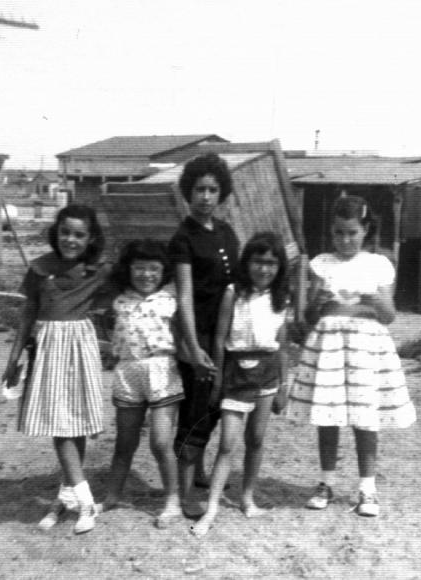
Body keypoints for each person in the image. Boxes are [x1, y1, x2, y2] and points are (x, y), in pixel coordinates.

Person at [286, 195, 416, 518]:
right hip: (329, 346)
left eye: (352, 233)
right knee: (328, 418)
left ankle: (367, 488)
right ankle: (326, 482)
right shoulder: (321, 263)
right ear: (331, 232)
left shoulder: (379, 264)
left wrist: (373, 297)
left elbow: (388, 315)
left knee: (365, 416)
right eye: (339, 233)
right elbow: (310, 316)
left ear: (365, 230)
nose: (345, 240)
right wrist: (315, 299)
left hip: (366, 347)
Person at [2, 204, 107, 534]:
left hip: (80, 347)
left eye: (79, 234)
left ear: (90, 239)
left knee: (74, 424)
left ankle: (67, 498)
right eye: (65, 232)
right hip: (49, 349)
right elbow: (28, 313)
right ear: (55, 233)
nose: (70, 239)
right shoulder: (40, 269)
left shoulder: (99, 270)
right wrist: (14, 357)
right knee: (58, 426)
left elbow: (140, 274)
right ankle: (84, 499)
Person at [191, 232, 291, 537]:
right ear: (247, 262)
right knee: (227, 444)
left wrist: (284, 384)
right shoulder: (234, 292)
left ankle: (247, 498)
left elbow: (283, 346)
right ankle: (211, 509)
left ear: (279, 267)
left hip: (268, 373)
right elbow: (220, 340)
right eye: (258, 261)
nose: (264, 269)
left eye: (272, 263)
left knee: (257, 439)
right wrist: (219, 378)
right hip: (236, 372)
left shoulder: (281, 299)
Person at [168, 153, 240, 515]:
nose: (206, 197)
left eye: (213, 190)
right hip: (196, 335)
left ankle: (196, 472)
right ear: (188, 192)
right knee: (196, 409)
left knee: (215, 406)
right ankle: (184, 493)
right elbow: (183, 295)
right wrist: (193, 348)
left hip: (224, 333)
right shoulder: (183, 237)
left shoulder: (227, 231)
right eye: (199, 189)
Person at [95, 239, 185, 528]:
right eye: (139, 268)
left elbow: (183, 337)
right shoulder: (118, 299)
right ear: (128, 269)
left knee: (160, 442)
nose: (146, 274)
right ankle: (111, 496)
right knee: (125, 442)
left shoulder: (171, 300)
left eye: (153, 269)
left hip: (162, 372)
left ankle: (172, 500)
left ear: (163, 271)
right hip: (128, 373)